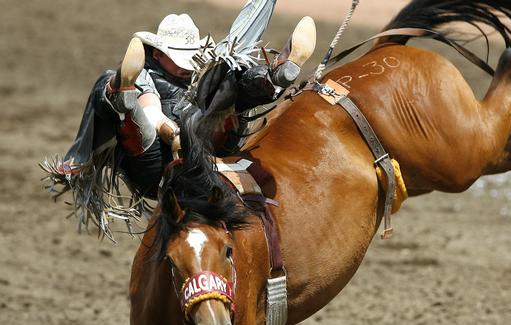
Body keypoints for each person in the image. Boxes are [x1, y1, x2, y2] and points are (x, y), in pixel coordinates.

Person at [43, 7, 316, 236]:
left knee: (229, 72)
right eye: (177, 59)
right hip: (156, 165)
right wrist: (169, 130)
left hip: (208, 153)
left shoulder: (201, 75)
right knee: (113, 81)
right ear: (158, 55)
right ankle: (119, 91)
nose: (184, 66)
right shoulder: (145, 75)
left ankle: (273, 77)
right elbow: (151, 111)